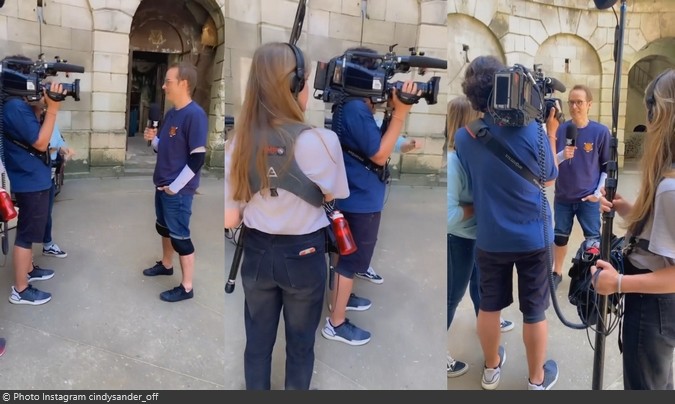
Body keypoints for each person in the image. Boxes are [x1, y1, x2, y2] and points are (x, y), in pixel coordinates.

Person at [224, 42, 349, 390]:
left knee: (257, 345)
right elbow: (332, 195)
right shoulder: (323, 141)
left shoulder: (238, 143)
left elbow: (230, 220)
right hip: (305, 256)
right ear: (295, 86)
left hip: (258, 255)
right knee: (301, 347)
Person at [454, 55, 559, 390]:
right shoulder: (532, 128)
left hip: (491, 238)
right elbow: (550, 175)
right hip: (534, 237)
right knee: (535, 312)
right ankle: (536, 380)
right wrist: (551, 131)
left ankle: (491, 368)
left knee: (489, 307)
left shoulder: (464, 136)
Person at [320, 46, 419, 346]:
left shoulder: (347, 106)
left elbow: (374, 144)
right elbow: (378, 154)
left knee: (342, 255)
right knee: (351, 260)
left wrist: (390, 112)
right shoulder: (355, 110)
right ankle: (336, 323)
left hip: (351, 194)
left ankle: (340, 299)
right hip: (360, 199)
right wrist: (401, 113)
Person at [590, 69, 675, 390]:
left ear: (660, 114)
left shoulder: (670, 186)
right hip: (658, 305)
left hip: (652, 305)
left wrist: (619, 282)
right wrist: (629, 210)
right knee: (659, 382)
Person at [446, 95, 515, 378]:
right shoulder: (453, 162)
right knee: (450, 297)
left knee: (480, 287)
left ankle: (486, 323)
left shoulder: (470, 156)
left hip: (477, 236)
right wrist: (479, 206)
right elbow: (448, 215)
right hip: (458, 239)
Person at [1, 55, 64, 305]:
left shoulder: (18, 104)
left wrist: (40, 106)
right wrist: (54, 109)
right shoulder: (13, 107)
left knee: (31, 230)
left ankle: (29, 270)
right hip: (29, 180)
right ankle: (21, 289)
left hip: (35, 177)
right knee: (26, 234)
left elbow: (36, 133)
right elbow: (40, 141)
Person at [142, 62, 207, 303]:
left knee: (181, 237)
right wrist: (154, 140)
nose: (163, 86)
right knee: (164, 228)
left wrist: (175, 188)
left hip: (177, 191)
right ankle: (166, 264)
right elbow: (166, 147)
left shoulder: (195, 115)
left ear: (184, 83)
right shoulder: (171, 113)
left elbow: (198, 157)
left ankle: (187, 287)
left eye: (168, 81)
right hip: (162, 186)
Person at [551, 84, 611, 290]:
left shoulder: (601, 132)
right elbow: (548, 164)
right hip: (563, 197)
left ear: (589, 105)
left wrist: (597, 193)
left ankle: (591, 275)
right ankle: (556, 271)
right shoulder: (559, 130)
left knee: (593, 239)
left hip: (588, 198)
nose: (574, 107)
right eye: (571, 102)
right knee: (559, 237)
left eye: (579, 102)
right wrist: (561, 156)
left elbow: (606, 167)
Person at [28, 99, 74, 259]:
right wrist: (53, 149)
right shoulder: (28, 121)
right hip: (37, 173)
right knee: (35, 214)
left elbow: (59, 141)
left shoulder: (50, 120)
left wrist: (65, 150)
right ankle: (28, 255)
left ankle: (47, 244)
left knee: (47, 212)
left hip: (51, 171)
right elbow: (38, 146)